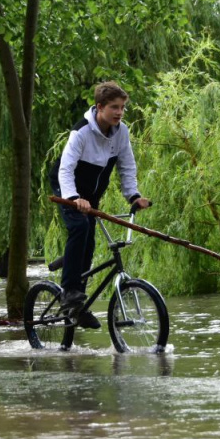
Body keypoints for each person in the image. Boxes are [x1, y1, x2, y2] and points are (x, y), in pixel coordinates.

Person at [49, 81, 151, 329]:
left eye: (123, 108)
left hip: (91, 196)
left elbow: (127, 166)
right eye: (114, 107)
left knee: (89, 243)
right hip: (67, 187)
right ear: (99, 107)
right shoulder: (81, 132)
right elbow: (66, 169)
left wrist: (133, 196)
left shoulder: (121, 132)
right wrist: (73, 198)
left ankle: (78, 307)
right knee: (80, 228)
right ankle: (69, 293)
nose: (119, 112)